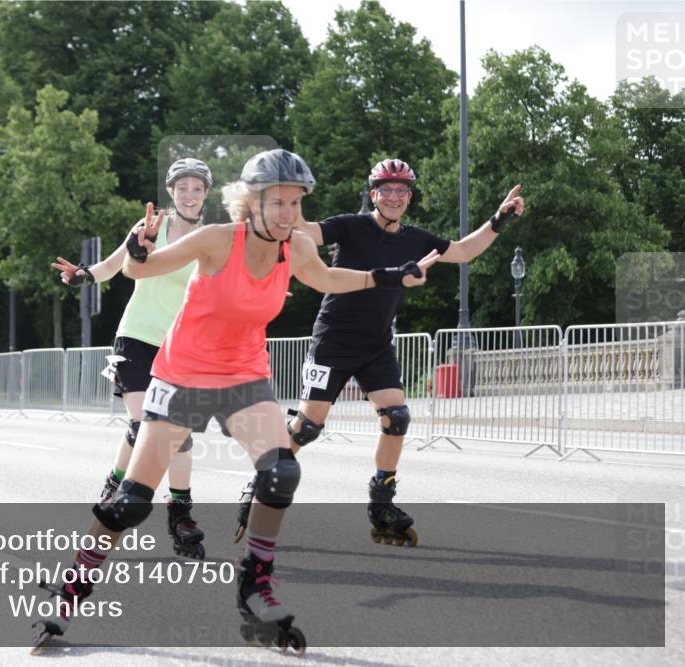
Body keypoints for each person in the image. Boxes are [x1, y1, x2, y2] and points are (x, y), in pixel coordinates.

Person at [32, 149, 439, 650]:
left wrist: (389, 275)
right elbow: (142, 270)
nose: (289, 214)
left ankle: (255, 586)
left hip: (244, 375)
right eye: (278, 203)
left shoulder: (295, 246)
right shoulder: (218, 239)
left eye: (296, 203)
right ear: (252, 202)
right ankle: (71, 589)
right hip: (184, 374)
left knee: (280, 471)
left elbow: (329, 279)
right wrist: (137, 250)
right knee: (131, 503)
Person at [233, 158, 525, 547]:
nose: (394, 197)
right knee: (307, 426)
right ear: (374, 194)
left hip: (376, 344)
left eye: (401, 190)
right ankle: (262, 479)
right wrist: (277, 197)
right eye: (386, 190)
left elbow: (463, 251)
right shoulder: (350, 226)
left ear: (409, 197)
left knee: (396, 416)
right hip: (333, 340)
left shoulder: (416, 239)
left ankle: (381, 503)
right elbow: (304, 230)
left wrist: (499, 221)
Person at [51, 158, 213, 559]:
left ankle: (180, 513)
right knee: (144, 424)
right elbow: (115, 266)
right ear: (171, 192)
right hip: (138, 338)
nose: (189, 194)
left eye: (197, 188)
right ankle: (116, 486)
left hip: (180, 346)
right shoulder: (152, 227)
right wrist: (84, 275)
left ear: (206, 194)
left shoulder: (211, 238)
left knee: (179, 434)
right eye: (182, 187)